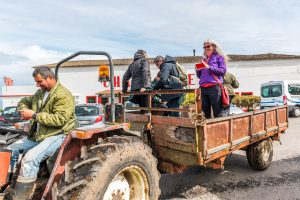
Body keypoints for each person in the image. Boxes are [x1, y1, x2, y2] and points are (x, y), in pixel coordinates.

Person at [5, 66, 78, 199]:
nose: (37, 85)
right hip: (39, 134)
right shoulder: (41, 92)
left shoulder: (63, 95)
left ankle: (23, 196)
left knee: (30, 159)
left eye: (39, 81)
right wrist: (22, 109)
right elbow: (25, 101)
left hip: (56, 134)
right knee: (8, 150)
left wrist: (33, 115)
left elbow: (60, 120)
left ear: (49, 78)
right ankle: (7, 183)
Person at [195, 39, 228, 118]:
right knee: (205, 114)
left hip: (214, 87)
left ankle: (219, 129)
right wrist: (197, 70)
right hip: (203, 88)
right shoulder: (203, 60)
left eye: (208, 46)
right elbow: (200, 76)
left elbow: (222, 71)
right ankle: (207, 130)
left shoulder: (219, 57)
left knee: (218, 112)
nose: (206, 48)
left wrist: (209, 67)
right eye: (204, 47)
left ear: (213, 47)